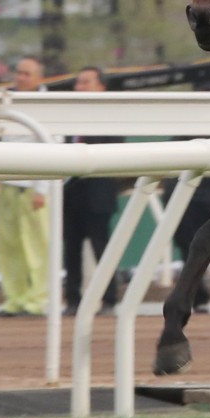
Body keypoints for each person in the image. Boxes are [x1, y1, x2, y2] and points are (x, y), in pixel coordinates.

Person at [62, 66, 124, 316]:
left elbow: (116, 150)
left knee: (101, 249)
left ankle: (109, 300)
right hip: (70, 193)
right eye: (78, 82)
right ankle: (73, 301)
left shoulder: (111, 115)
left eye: (86, 82)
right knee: (71, 251)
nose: (80, 87)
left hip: (98, 194)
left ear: (101, 87)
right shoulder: (66, 115)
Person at [0, 56, 49, 316]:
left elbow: (53, 147)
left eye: (27, 74)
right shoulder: (7, 100)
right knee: (9, 245)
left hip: (32, 186)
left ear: (39, 77)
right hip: (8, 183)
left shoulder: (51, 104)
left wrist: (42, 189)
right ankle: (14, 299)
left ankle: (37, 300)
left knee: (36, 246)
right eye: (19, 72)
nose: (20, 77)